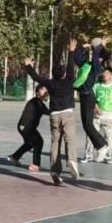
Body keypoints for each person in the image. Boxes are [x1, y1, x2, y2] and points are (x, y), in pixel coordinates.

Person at [24, 39, 79, 185]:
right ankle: (72, 160)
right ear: (64, 74)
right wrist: (71, 51)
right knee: (70, 138)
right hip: (67, 114)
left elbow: (36, 77)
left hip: (54, 116)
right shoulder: (69, 80)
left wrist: (28, 66)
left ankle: (55, 170)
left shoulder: (50, 83)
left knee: (55, 142)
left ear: (53, 74)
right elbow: (70, 66)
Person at [74, 37, 110, 157]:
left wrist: (99, 46)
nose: (97, 57)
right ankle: (101, 145)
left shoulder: (97, 67)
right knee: (86, 125)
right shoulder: (86, 65)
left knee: (88, 124)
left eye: (99, 56)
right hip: (83, 96)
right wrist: (82, 47)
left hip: (89, 96)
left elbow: (95, 56)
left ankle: (102, 145)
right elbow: (76, 57)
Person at [81, 66, 112, 164]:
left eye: (107, 73)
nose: (104, 75)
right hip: (97, 116)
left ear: (111, 75)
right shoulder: (96, 86)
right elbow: (91, 99)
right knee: (91, 135)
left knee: (109, 138)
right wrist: (97, 109)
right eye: (104, 73)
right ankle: (88, 155)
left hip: (109, 116)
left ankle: (108, 156)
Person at [8, 85, 50, 172]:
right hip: (26, 126)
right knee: (38, 142)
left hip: (30, 127)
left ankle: (14, 157)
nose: (46, 91)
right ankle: (35, 165)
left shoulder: (41, 104)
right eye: (43, 90)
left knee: (29, 144)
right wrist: (23, 125)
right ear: (38, 92)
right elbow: (26, 112)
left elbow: (49, 112)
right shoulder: (33, 102)